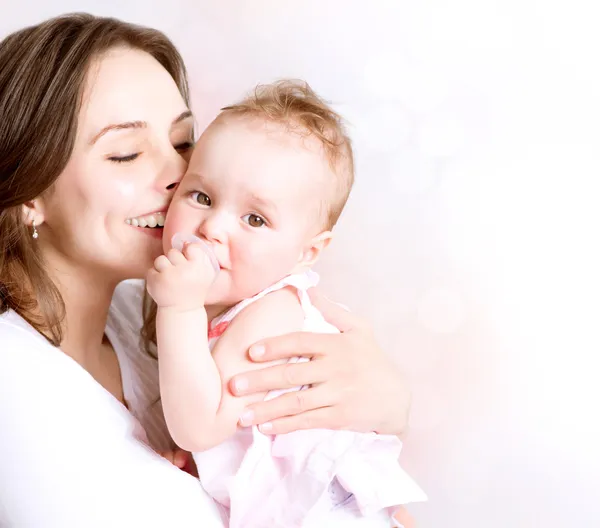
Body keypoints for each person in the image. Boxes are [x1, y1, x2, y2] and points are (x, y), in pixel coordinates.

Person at [0, 13, 413, 528]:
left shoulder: (142, 316)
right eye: (125, 154)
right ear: (29, 194)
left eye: (182, 143)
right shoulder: (18, 381)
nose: (180, 176)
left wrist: (387, 403)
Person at [147, 80, 426, 527]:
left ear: (307, 252)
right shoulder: (233, 310)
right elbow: (223, 426)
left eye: (254, 218)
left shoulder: (271, 313)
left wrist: (178, 308)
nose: (213, 228)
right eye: (201, 197)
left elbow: (198, 424)